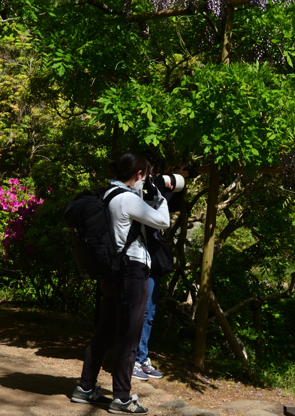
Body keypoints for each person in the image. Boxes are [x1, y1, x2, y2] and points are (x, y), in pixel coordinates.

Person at [71, 152, 170, 415]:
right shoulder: (127, 198)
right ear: (139, 174)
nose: (147, 179)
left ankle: (85, 387)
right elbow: (163, 221)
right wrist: (159, 195)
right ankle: (122, 398)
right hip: (132, 273)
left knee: (105, 331)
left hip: (112, 272)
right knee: (129, 335)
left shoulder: (107, 194)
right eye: (146, 175)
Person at [132, 171, 186, 383]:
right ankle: (134, 359)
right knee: (142, 311)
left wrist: (168, 185)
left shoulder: (156, 192)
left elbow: (174, 205)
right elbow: (159, 218)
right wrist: (158, 188)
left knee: (150, 312)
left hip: (153, 262)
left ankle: (142, 357)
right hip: (140, 260)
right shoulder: (135, 195)